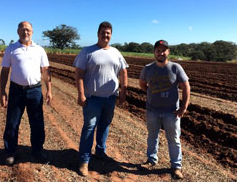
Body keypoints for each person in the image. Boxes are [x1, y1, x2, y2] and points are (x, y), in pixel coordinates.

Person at [73, 21, 128, 176]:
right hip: (93, 98)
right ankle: (84, 160)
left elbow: (123, 71)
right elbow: (79, 74)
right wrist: (81, 94)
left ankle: (100, 151)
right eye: (103, 33)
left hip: (110, 98)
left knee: (105, 125)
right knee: (89, 127)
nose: (106, 35)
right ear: (98, 34)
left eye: (108, 33)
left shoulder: (116, 52)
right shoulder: (87, 51)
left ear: (111, 35)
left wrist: (123, 91)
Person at [0, 21, 52, 165]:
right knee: (12, 122)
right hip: (16, 90)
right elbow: (4, 71)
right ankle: (10, 152)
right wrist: (2, 91)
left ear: (32, 32)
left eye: (28, 30)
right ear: (18, 32)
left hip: (35, 91)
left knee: (37, 122)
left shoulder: (40, 50)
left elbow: (46, 70)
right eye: (22, 30)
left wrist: (49, 90)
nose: (25, 32)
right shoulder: (11, 49)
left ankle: (37, 150)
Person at [139, 40, 190, 179]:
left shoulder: (176, 67)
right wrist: (151, 92)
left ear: (168, 52)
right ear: (154, 52)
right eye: (158, 50)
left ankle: (176, 166)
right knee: (152, 136)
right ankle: (151, 160)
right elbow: (142, 84)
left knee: (174, 139)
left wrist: (183, 107)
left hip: (171, 111)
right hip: (152, 110)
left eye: (164, 50)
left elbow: (186, 87)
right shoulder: (148, 68)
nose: (161, 53)